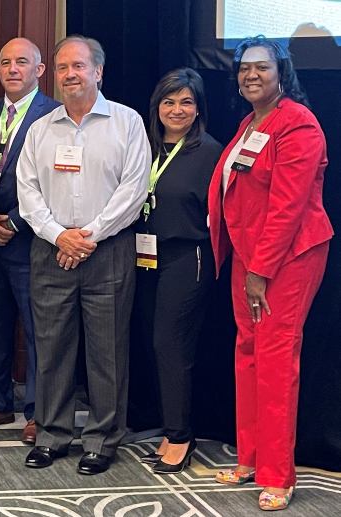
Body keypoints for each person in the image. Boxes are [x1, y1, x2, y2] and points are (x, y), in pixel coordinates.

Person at [208, 36, 332, 511]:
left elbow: (287, 206)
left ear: (282, 71)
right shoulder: (249, 123)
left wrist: (260, 269)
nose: (251, 75)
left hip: (288, 258)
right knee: (248, 353)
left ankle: (279, 474)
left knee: (277, 360)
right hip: (250, 254)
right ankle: (251, 458)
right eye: (243, 68)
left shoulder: (297, 124)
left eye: (261, 67)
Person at [17, 35, 150, 475]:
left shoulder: (127, 123)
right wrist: (60, 236)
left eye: (78, 66)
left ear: (98, 71)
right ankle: (52, 434)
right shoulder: (41, 129)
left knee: (106, 350)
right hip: (51, 251)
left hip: (107, 250)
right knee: (52, 347)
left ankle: (102, 438)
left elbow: (134, 190)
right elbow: (28, 192)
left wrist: (87, 235)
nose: (70, 74)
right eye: (62, 68)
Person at [133, 68, 222, 473]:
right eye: (169, 101)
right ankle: (170, 429)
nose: (177, 109)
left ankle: (181, 437)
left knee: (171, 345)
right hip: (146, 259)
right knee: (155, 343)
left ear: (198, 107)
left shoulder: (209, 152)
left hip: (189, 258)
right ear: (157, 107)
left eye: (186, 102)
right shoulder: (144, 146)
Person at [0, 37, 60, 445]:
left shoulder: (55, 116)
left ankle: (39, 412)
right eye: (5, 62)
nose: (12, 69)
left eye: (22, 62)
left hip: (31, 240)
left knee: (40, 330)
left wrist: (13, 221)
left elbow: (57, 185)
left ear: (39, 70)